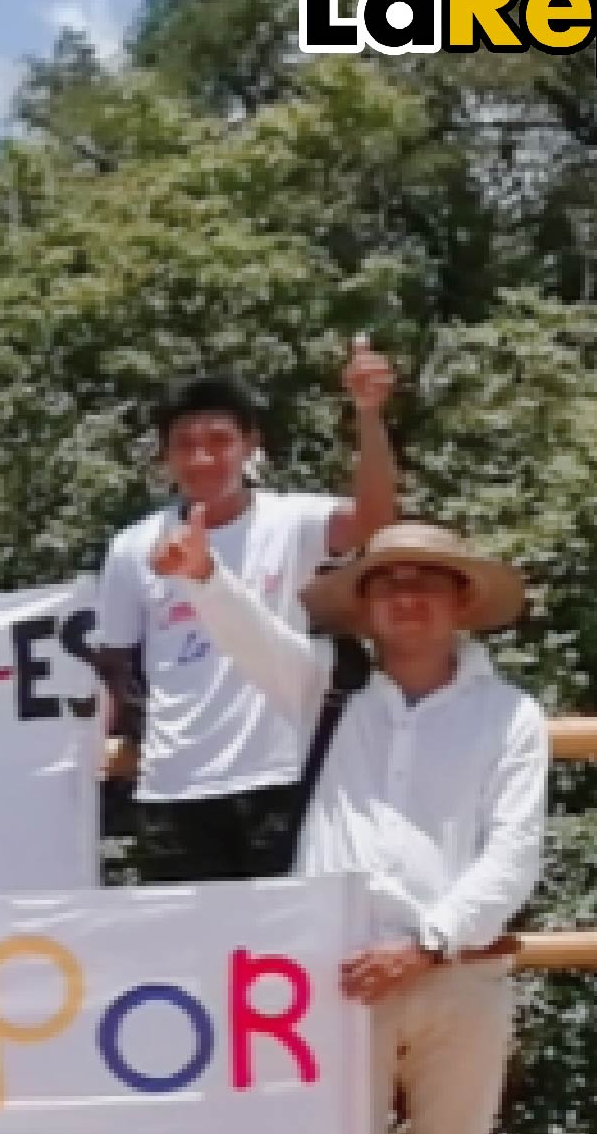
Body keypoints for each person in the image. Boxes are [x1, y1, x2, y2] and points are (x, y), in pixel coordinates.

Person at [150, 512, 549, 1134]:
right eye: (385, 582)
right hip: (336, 975)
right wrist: (203, 577)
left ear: (459, 602)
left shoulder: (510, 717)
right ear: (365, 607)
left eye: (424, 581)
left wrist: (432, 941)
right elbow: (254, 639)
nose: (405, 597)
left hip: (456, 970)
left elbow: (512, 851)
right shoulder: (332, 694)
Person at [91, 342, 402, 882]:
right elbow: (112, 664)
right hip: (174, 782)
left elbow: (375, 520)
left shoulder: (292, 521)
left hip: (279, 774)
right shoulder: (133, 547)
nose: (202, 459)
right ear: (165, 457)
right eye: (185, 445)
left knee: (282, 956)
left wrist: (369, 415)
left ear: (250, 445)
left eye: (219, 442)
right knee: (189, 958)